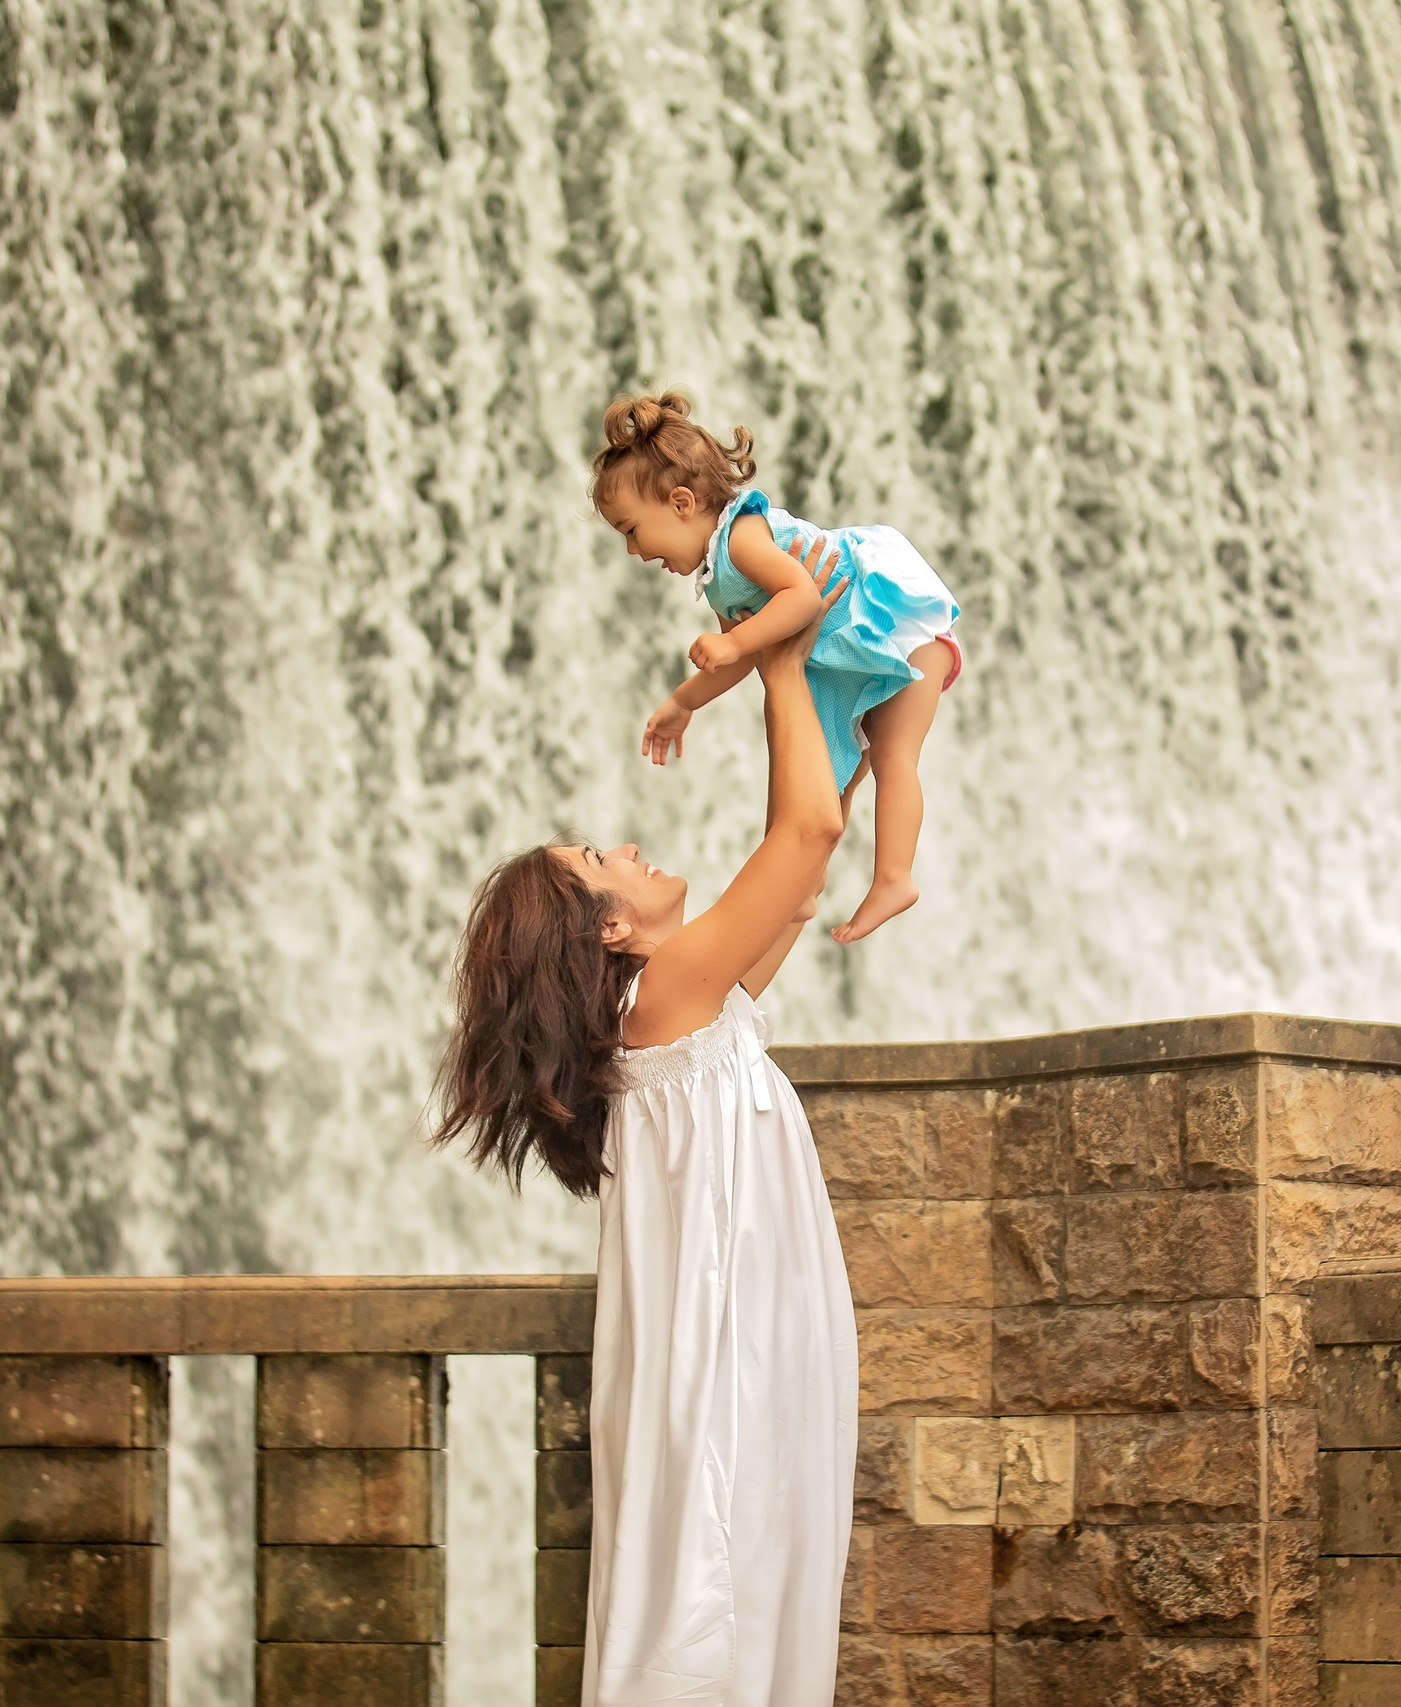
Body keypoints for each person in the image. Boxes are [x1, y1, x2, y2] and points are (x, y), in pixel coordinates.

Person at [432, 540, 859, 1707]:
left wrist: (841, 717)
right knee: (725, 1583)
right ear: (608, 931)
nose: (627, 845)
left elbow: (806, 863)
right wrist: (779, 641)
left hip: (751, 1339)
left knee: (752, 1580)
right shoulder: (663, 1004)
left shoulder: (682, 998)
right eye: (599, 859)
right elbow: (806, 840)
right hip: (737, 1356)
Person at [596, 391, 961, 943]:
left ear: (681, 503)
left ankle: (894, 878)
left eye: (630, 529)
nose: (631, 550)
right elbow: (738, 663)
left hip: (895, 630)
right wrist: (682, 701)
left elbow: (804, 598)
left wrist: (736, 642)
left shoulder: (742, 538)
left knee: (893, 756)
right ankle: (803, 886)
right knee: (817, 775)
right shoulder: (719, 576)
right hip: (846, 659)